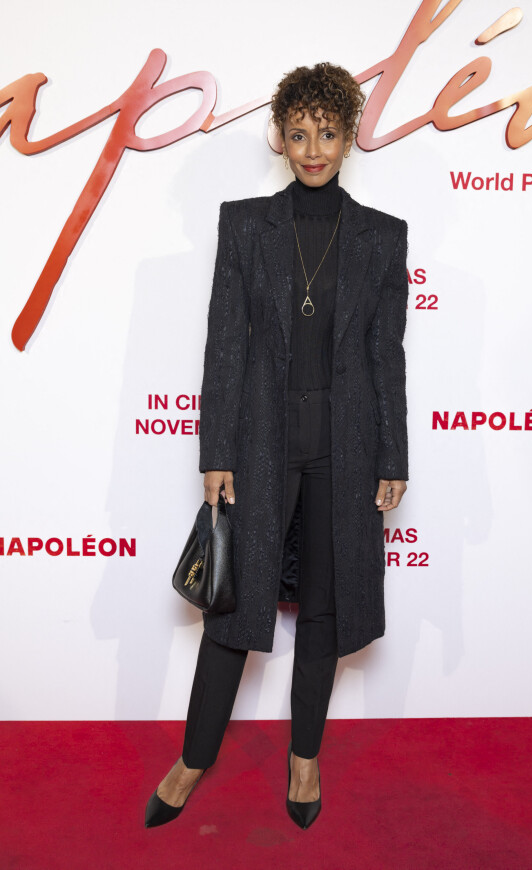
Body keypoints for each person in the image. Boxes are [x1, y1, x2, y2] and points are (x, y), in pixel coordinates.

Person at [145, 61, 409, 830]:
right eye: (298, 133)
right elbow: (224, 342)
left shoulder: (382, 238)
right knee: (233, 605)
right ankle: (194, 758)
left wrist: (392, 454)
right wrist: (215, 449)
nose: (314, 147)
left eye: (328, 132)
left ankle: (304, 760)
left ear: (348, 134)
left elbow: (385, 356)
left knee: (325, 608)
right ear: (281, 136)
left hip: (346, 449)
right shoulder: (243, 225)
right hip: (260, 445)